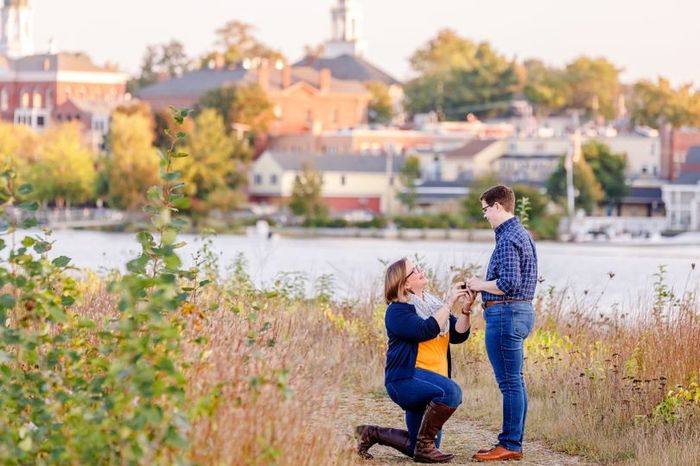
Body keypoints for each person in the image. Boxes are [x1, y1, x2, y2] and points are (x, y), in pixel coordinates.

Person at [355, 257, 474, 463]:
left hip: (432, 381)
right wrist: (449, 302)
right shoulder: (397, 311)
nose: (421, 270)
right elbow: (425, 329)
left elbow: (458, 334)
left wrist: (466, 308)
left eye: (419, 266)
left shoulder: (432, 305)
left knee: (417, 447)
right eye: (414, 270)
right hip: (406, 380)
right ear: (405, 283)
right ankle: (423, 446)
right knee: (452, 392)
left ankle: (370, 433)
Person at [466, 185, 538, 462]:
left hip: (506, 314)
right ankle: (511, 441)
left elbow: (509, 283)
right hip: (518, 312)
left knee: (510, 383)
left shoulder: (508, 238)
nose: (484, 215)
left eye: (485, 209)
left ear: (498, 206)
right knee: (515, 381)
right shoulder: (523, 235)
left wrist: (477, 284)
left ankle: (509, 444)